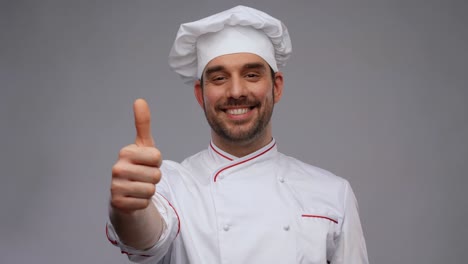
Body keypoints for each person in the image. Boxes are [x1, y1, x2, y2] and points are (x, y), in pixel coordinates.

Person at [106, 5, 369, 264]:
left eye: (252, 75)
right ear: (201, 95)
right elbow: (145, 239)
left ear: (276, 87)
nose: (235, 91)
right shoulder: (169, 185)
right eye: (219, 78)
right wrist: (130, 208)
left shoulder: (333, 194)